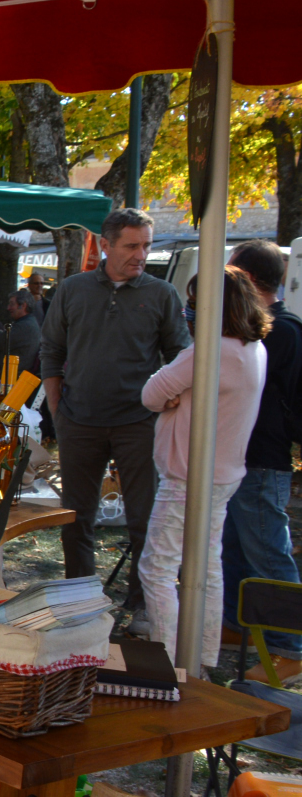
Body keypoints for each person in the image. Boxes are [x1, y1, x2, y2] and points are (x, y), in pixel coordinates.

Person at [40, 208, 189, 635]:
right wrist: (56, 408)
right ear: (105, 245)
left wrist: (168, 404)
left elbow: (181, 356)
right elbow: (51, 348)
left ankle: (142, 605)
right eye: (132, 245)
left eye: (146, 245)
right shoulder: (73, 289)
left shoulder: (161, 294)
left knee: (145, 518)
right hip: (79, 421)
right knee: (76, 517)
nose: (141, 254)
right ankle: (79, 603)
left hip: (139, 423)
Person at [139, 266, 269, 666]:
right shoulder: (253, 348)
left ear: (215, 306)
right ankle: (204, 656)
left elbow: (151, 393)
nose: (188, 312)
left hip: (188, 477)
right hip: (223, 474)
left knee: (157, 569)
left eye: (194, 304)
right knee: (207, 565)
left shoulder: (210, 351)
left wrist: (173, 396)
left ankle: (170, 659)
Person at [223, 240, 302, 681]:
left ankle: (291, 646)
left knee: (268, 553)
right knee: (236, 546)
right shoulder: (273, 327)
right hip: (243, 458)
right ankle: (239, 625)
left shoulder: (282, 330)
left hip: (261, 460)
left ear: (248, 280)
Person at [0, 288, 43, 385]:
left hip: (7, 381)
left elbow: (0, 340)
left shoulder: (25, 326)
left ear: (23, 306)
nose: (8, 308)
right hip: (6, 378)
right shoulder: (27, 323)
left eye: (12, 304)